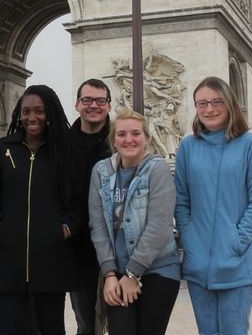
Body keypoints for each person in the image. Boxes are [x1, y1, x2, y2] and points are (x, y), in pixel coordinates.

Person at [0, 84, 84, 335]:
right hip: (10, 262)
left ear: (49, 113)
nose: (32, 117)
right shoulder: (4, 148)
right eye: (26, 111)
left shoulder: (65, 150)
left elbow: (80, 202)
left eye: (39, 111)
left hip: (51, 262)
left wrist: (65, 229)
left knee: (50, 329)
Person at [175, 76, 252, 335]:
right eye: (202, 103)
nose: (209, 109)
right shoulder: (187, 147)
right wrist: (189, 238)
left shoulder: (251, 145)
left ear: (230, 103)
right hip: (198, 262)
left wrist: (237, 241)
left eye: (216, 101)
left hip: (236, 262)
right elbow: (181, 200)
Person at [89, 109, 181, 335]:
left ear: (147, 139)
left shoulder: (157, 168)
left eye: (135, 133)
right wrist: (110, 274)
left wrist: (132, 274)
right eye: (121, 134)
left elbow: (159, 227)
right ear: (113, 140)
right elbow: (98, 227)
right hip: (117, 272)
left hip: (158, 268)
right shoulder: (100, 172)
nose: (128, 139)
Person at [69, 79, 113, 335]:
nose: (93, 105)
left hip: (117, 243)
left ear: (109, 105)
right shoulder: (61, 144)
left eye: (100, 100)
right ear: (77, 104)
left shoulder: (123, 140)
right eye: (87, 100)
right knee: (85, 322)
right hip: (78, 246)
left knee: (123, 322)